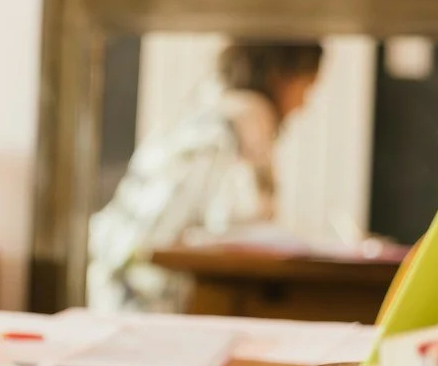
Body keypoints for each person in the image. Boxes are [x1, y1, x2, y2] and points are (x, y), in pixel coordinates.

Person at [86, 40, 323, 313]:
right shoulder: (250, 114)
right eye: (306, 88)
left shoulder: (208, 104)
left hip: (115, 275)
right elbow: (249, 222)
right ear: (281, 76)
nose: (303, 104)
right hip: (153, 294)